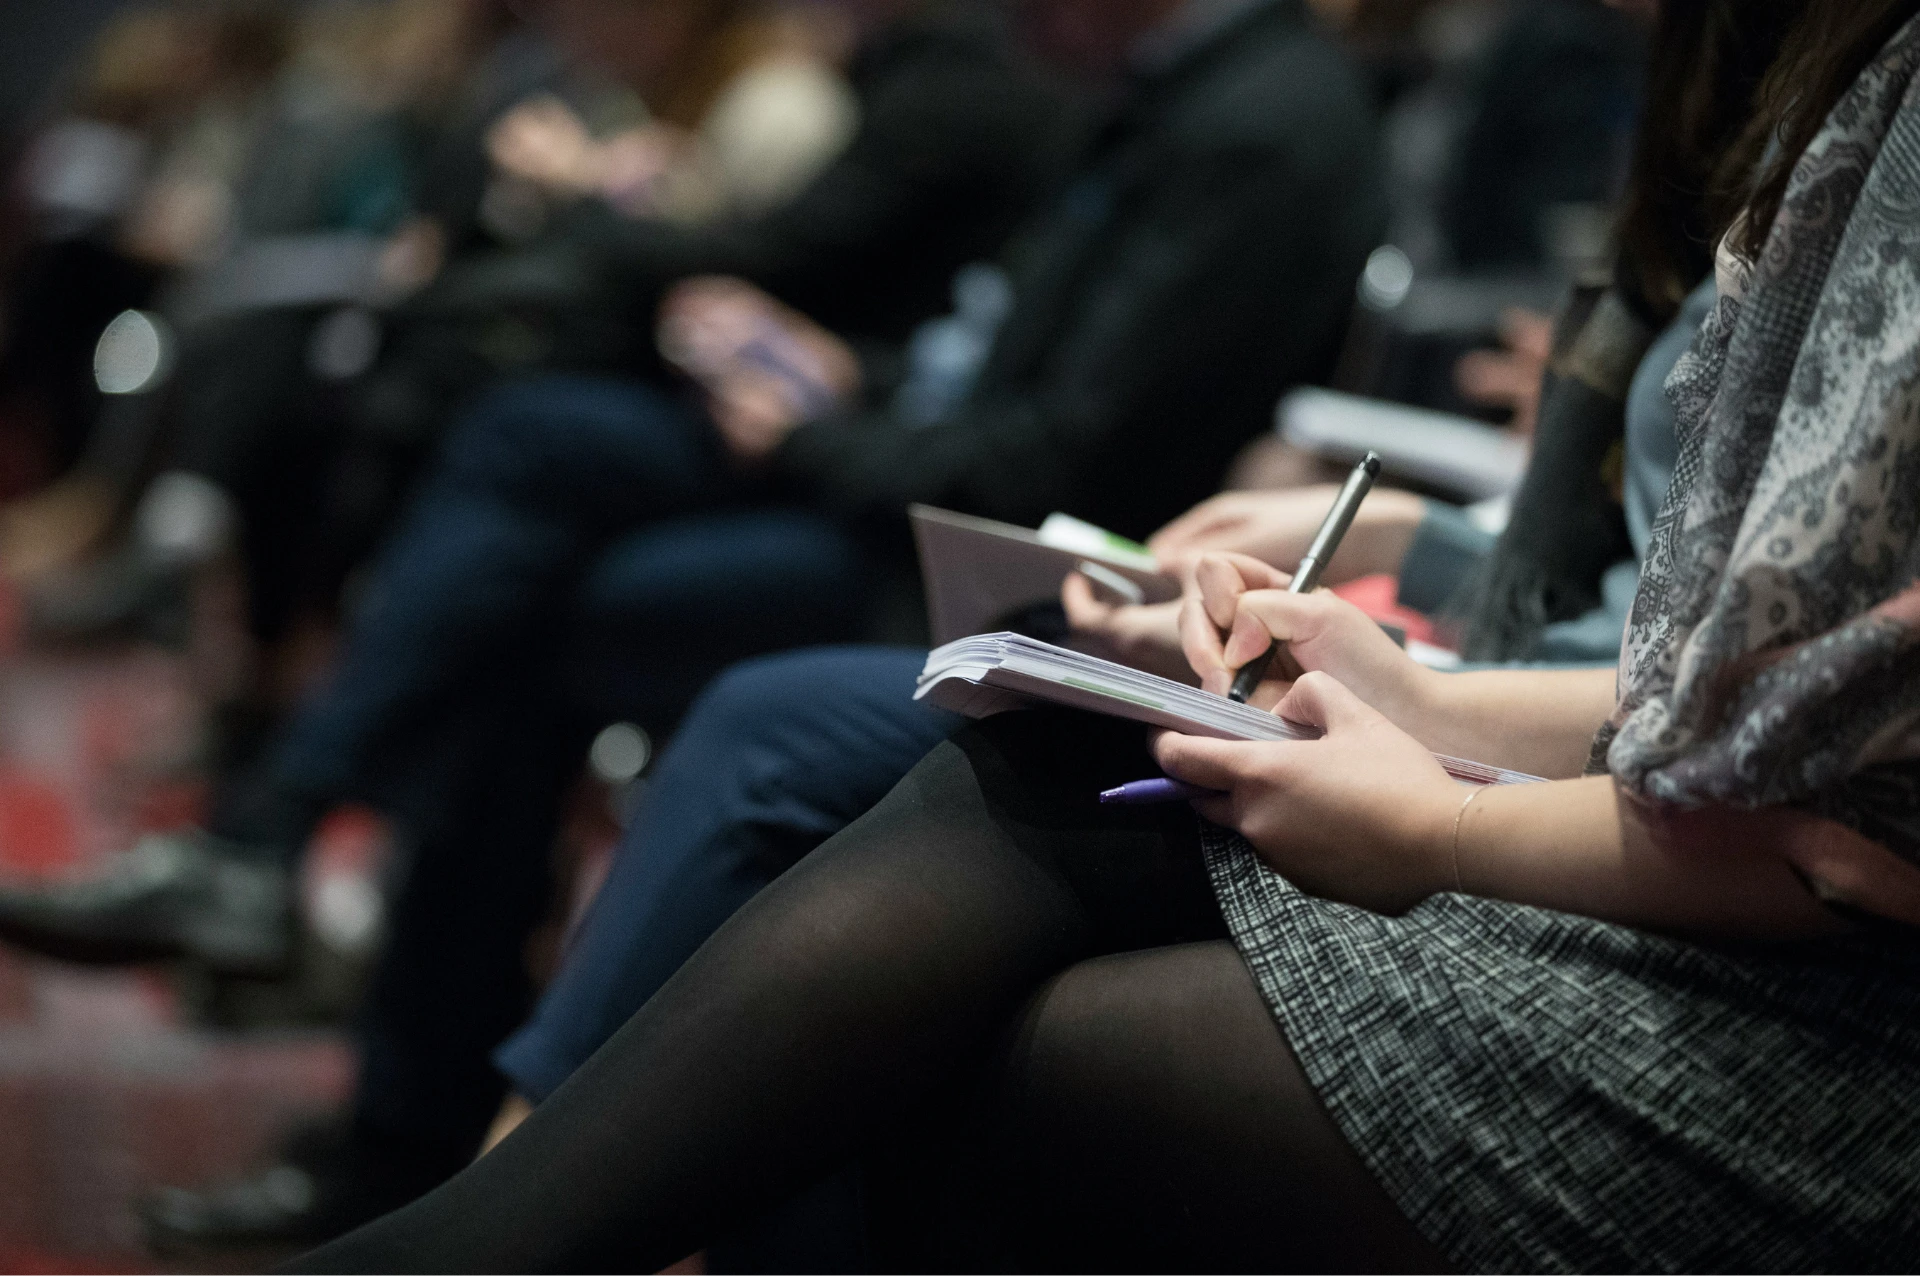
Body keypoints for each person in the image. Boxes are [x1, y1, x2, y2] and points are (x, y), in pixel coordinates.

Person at [268, 0, 1920, 1270]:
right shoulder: (1818, 113)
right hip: (1666, 834)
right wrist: (1408, 681)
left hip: (1819, 1039)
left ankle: (428, 1160)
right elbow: (1707, 695)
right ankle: (438, 1195)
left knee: (927, 999)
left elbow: (1835, 835)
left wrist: (1446, 815)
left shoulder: (1866, 122)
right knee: (994, 738)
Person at [2, 0, 1385, 1252]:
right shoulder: (1153, 79)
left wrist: (822, 423)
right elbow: (991, 356)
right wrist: (846, 381)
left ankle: (443, 1143)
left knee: (571, 610)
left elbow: (1058, 463)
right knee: (522, 464)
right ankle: (402, 1087)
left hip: (1019, 571)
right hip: (914, 488)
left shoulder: (1242, 118)